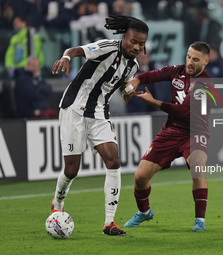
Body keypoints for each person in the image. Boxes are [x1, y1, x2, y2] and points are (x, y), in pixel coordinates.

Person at [50, 14, 149, 236]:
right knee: (72, 169)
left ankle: (109, 222)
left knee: (113, 160)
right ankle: (57, 203)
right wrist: (66, 58)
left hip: (99, 113)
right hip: (75, 108)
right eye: (133, 41)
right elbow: (75, 50)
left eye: (141, 44)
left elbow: (117, 85)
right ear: (125, 37)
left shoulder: (132, 66)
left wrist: (127, 91)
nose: (136, 47)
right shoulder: (106, 47)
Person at [123, 41, 212, 232]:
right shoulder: (176, 71)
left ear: (205, 62)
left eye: (195, 59)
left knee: (197, 167)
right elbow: (150, 75)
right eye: (188, 56)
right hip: (171, 131)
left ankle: (200, 220)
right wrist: (136, 80)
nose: (189, 62)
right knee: (140, 177)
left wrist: (153, 101)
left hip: (196, 133)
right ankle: (145, 212)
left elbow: (182, 111)